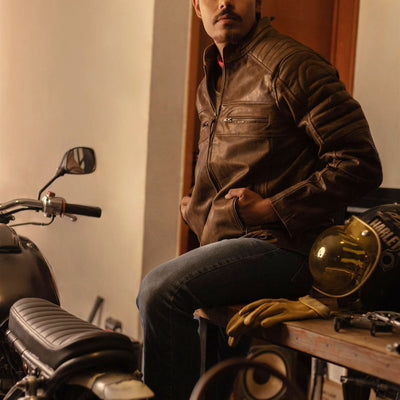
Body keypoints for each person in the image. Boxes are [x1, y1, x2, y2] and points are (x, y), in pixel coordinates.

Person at [137, 1, 382, 399]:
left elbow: (361, 164)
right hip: (232, 246)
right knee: (207, 372)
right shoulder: (212, 80)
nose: (225, 2)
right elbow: (228, 167)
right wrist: (196, 208)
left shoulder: (291, 64)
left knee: (159, 291)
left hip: (288, 247)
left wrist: (272, 208)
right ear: (196, 6)